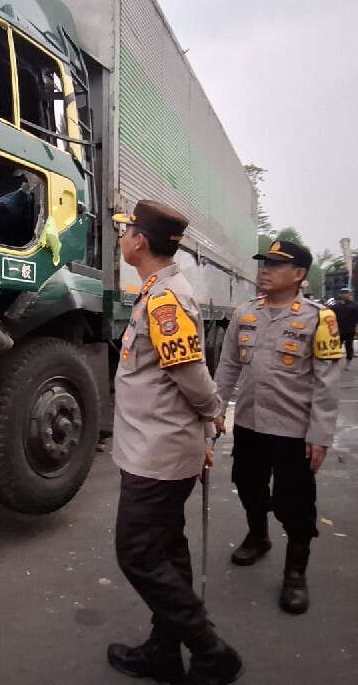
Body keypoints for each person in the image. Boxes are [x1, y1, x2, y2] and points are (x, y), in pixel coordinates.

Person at [105, 200, 242, 685]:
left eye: (126, 231)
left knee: (138, 554)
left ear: (140, 241)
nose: (121, 238)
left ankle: (209, 649)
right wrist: (203, 430)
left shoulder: (165, 300)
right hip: (156, 448)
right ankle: (165, 651)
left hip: (157, 456)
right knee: (166, 550)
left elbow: (190, 374)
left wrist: (211, 417)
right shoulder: (158, 292)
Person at [214, 240, 342, 614]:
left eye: (276, 264)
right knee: (249, 486)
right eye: (264, 263)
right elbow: (228, 368)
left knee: (296, 505)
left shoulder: (319, 319)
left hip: (294, 431)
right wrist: (216, 409)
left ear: (299, 275)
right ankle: (258, 536)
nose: (265, 270)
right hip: (251, 425)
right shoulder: (245, 313)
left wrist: (320, 436)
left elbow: (326, 382)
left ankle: (295, 572)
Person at [332, 288, 358, 368]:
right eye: (343, 293)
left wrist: (357, 329)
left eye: (347, 293)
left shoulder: (354, 306)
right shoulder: (336, 306)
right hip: (338, 330)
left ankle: (348, 363)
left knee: (349, 346)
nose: (345, 295)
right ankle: (335, 362)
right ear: (340, 295)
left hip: (350, 330)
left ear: (350, 294)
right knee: (336, 347)